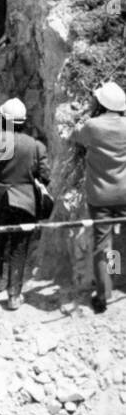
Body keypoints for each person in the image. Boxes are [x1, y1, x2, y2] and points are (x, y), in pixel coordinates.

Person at [0, 97, 50, 310]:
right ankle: (14, 296)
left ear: (3, 119)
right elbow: (45, 176)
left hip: (1, 200)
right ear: (24, 121)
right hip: (27, 202)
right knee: (19, 248)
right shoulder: (36, 146)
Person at [71, 80, 126, 314]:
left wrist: (87, 115)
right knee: (119, 242)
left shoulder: (93, 126)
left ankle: (104, 293)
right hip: (124, 193)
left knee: (103, 245)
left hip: (100, 196)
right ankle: (118, 279)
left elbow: (76, 135)